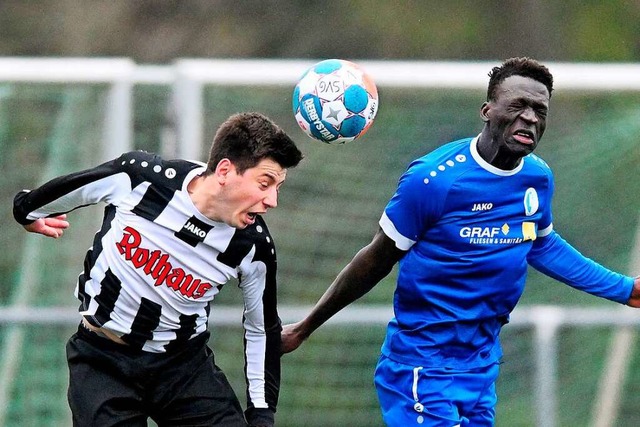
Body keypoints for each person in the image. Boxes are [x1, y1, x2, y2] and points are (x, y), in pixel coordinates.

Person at [281, 57, 640, 426]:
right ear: (487, 110)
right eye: (518, 106)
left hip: (481, 367)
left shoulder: (537, 177)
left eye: (539, 110)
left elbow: (541, 244)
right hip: (422, 368)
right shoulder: (433, 180)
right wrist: (306, 326)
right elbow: (376, 258)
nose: (530, 118)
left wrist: (625, 289)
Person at [13, 112, 304, 427]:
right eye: (265, 183)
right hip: (101, 360)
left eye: (278, 187)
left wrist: (262, 415)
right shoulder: (141, 178)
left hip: (183, 368)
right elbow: (47, 198)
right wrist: (28, 213)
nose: (272, 200)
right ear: (224, 170)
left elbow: (261, 328)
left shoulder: (253, 244)